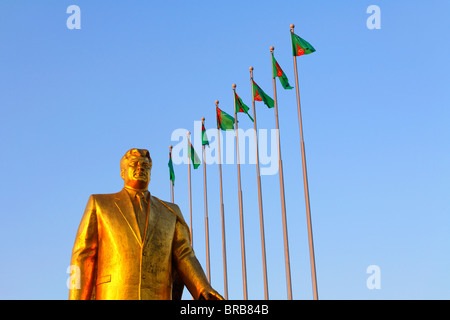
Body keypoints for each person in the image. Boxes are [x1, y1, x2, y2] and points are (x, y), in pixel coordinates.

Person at [69, 148, 223, 300]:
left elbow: (184, 255)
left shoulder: (170, 212)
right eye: (134, 164)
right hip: (114, 293)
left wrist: (202, 287)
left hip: (158, 294)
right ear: (122, 172)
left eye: (145, 166)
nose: (140, 168)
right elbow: (82, 256)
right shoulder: (100, 204)